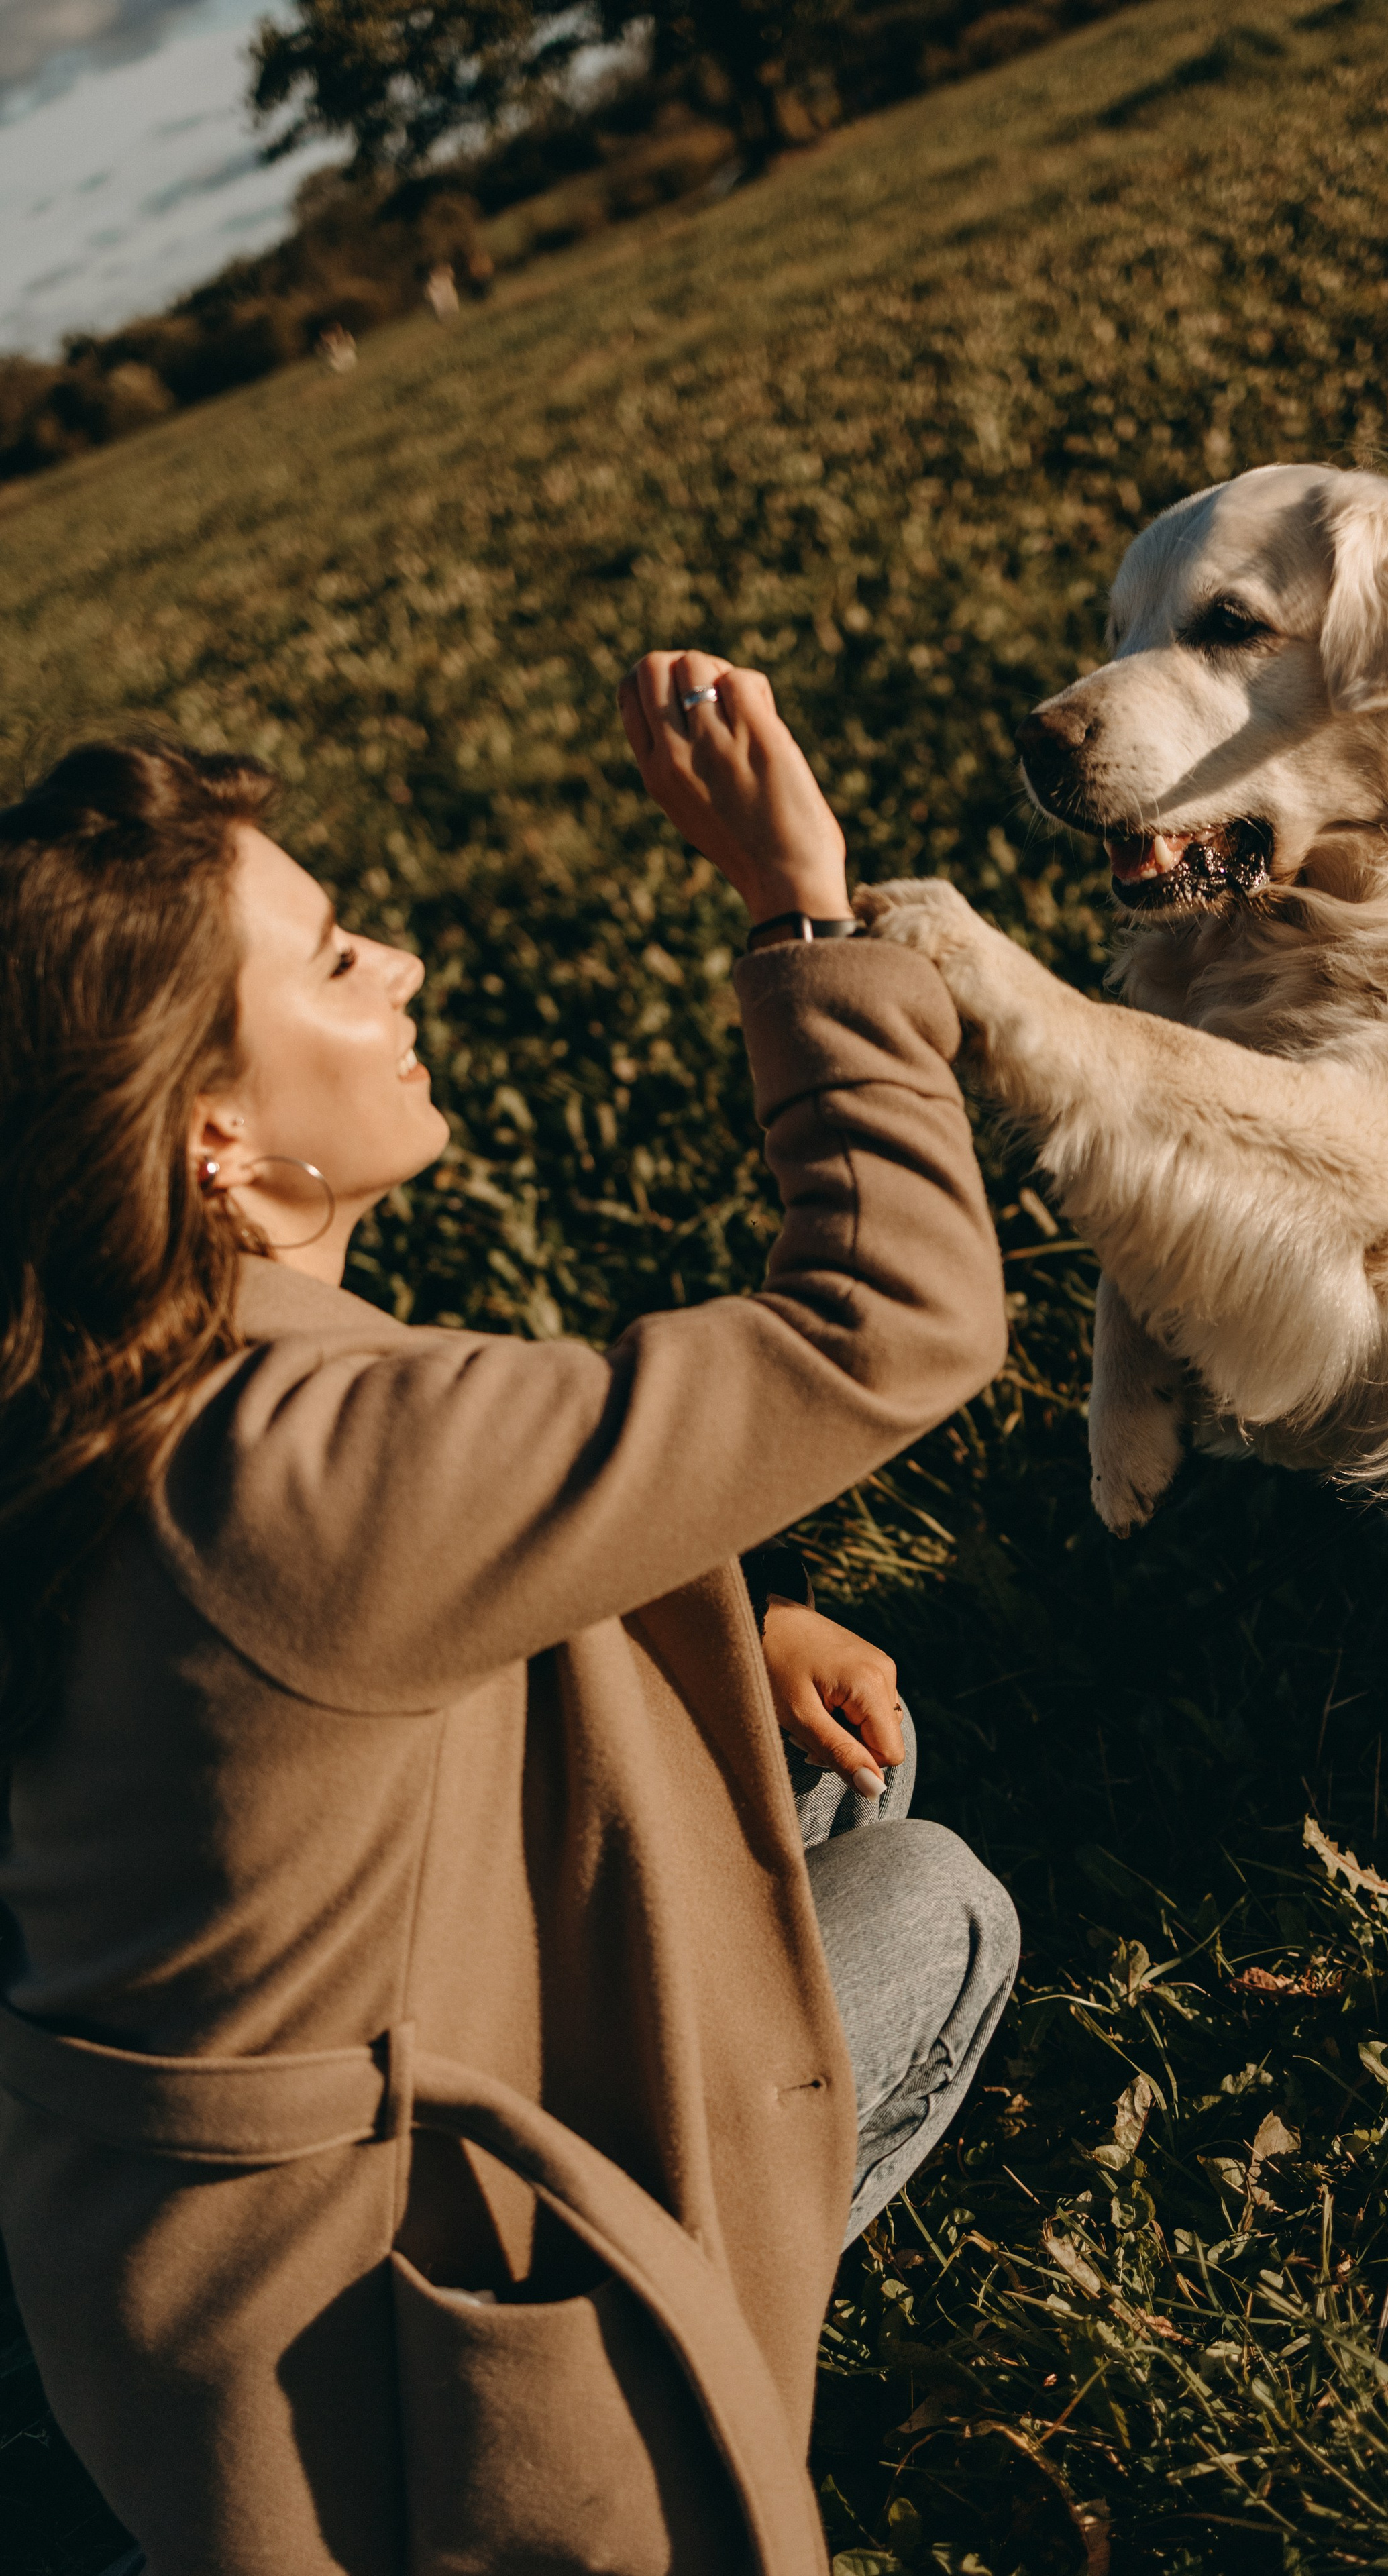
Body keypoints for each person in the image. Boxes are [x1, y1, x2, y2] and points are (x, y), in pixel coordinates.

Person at [0, 659, 1017, 2574]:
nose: (398, 969)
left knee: (828, 1777)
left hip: (160, 2280)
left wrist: (698, 1630)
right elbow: (893, 1322)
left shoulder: (100, 1390)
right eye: (333, 962)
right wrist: (801, 915)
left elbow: (312, 1694)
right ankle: (682, 2402)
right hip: (374, 2364)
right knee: (937, 1900)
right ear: (211, 1134)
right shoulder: (301, 1462)